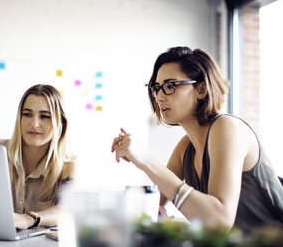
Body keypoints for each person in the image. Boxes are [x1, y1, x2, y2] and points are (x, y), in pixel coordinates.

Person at [111, 46, 283, 232]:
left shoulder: (227, 128)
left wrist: (145, 159)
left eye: (170, 86)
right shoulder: (185, 148)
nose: (160, 97)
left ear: (201, 89)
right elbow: (150, 205)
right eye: (157, 88)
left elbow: (220, 219)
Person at [0, 84, 75, 230]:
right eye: (27, 114)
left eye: (44, 116)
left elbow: (66, 210)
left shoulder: (68, 165)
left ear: (61, 123)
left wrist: (28, 219)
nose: (35, 124)